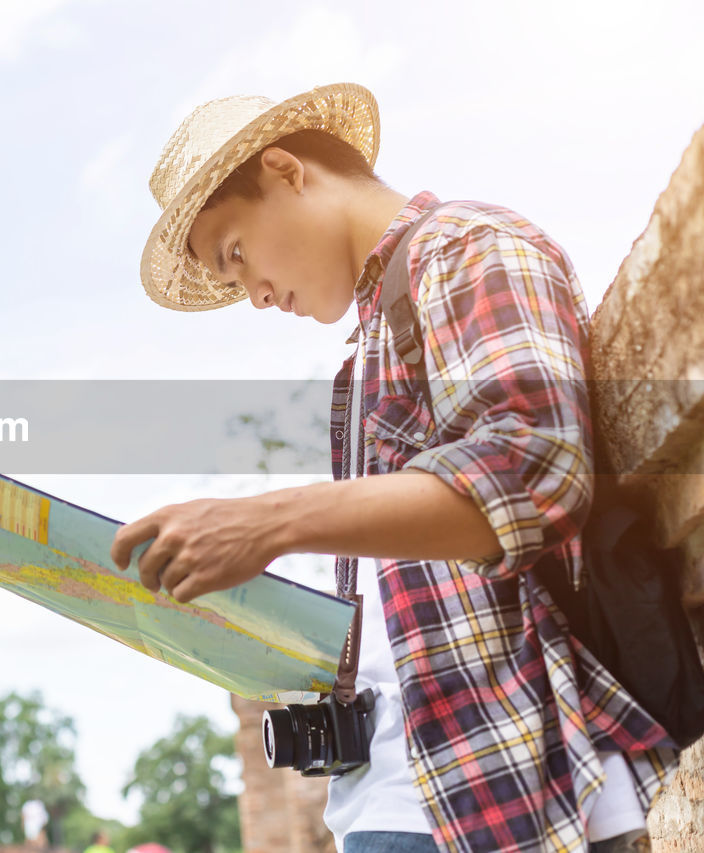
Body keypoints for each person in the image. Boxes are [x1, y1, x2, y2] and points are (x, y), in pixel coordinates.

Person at [109, 84, 679, 853]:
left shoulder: (469, 248)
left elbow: (533, 465)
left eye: (236, 254)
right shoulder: (370, 343)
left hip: (508, 800)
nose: (255, 296)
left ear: (285, 169)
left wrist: (269, 521)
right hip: (403, 800)